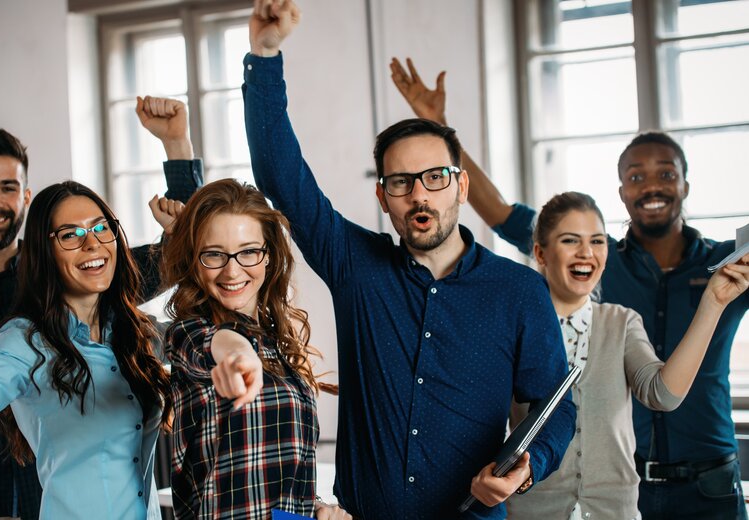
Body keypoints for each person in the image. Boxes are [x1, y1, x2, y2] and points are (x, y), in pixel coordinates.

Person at [243, 2, 576, 518]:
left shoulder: (519, 291)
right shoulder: (355, 264)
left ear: (461, 185)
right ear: (383, 197)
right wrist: (265, 55)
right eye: (401, 182)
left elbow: (555, 405)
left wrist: (525, 467)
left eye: (435, 178)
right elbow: (281, 177)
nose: (420, 195)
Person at [391, 56, 749, 520]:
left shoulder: (725, 268)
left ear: (686, 184)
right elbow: (498, 212)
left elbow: (661, 390)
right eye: (635, 176)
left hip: (702, 481)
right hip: (575, 493)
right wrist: (440, 132)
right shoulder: (556, 289)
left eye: (666, 173)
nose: (651, 185)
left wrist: (715, 300)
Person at [0, 100, 201, 519]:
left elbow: (179, 249)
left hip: (40, 501)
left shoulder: (74, 277)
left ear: (25, 197)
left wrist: (177, 145)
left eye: (7, 187)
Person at [498, 192, 749, 519]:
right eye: (571, 240)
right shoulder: (513, 326)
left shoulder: (621, 323)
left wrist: (713, 303)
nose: (587, 253)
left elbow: (662, 395)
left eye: (598, 241)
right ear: (540, 253)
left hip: (613, 512)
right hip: (532, 511)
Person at [160, 178, 324, 519]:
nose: (232, 270)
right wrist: (238, 356)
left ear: (269, 256)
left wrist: (316, 509)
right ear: (194, 259)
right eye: (214, 254)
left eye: (248, 251)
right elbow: (220, 346)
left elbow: (279, 475)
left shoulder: (275, 346)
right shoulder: (188, 333)